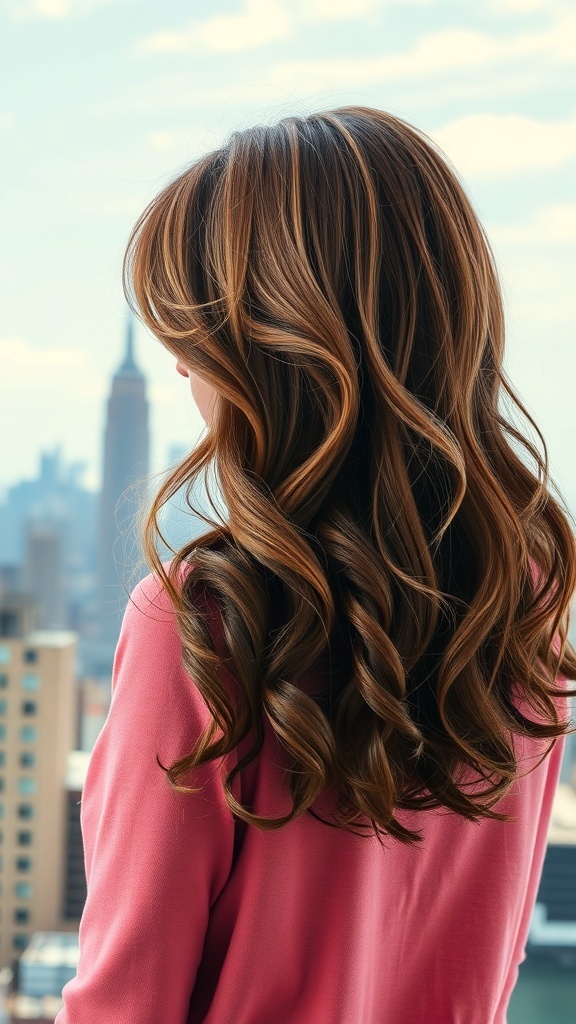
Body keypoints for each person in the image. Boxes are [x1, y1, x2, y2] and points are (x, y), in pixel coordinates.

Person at [55, 106, 576, 1024]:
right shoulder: (525, 598)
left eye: (199, 328)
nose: (182, 369)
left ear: (276, 343)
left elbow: (123, 1007)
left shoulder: (200, 623)